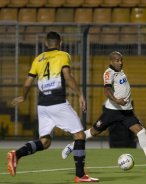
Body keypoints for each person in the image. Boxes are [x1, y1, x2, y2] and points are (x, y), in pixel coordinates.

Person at [8, 32, 99, 183]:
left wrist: (23, 96)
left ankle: (16, 154)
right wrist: (80, 94)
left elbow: (27, 83)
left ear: (45, 43)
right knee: (80, 136)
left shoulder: (38, 59)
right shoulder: (63, 55)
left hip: (42, 105)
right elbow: (68, 77)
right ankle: (80, 175)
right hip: (57, 102)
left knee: (45, 142)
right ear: (60, 42)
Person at [61, 51, 146, 169]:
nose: (120, 63)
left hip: (126, 112)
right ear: (111, 61)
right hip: (112, 111)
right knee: (93, 132)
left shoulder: (120, 71)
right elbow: (107, 90)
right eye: (117, 60)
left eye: (121, 60)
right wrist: (117, 100)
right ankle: (71, 146)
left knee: (140, 131)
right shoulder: (109, 73)